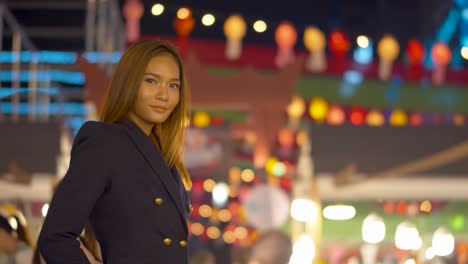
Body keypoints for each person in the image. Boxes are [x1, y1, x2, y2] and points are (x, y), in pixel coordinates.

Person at [37, 39, 192, 264]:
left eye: (173, 85)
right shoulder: (104, 141)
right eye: (151, 81)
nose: (164, 95)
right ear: (128, 83)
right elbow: (55, 237)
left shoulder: (167, 157)